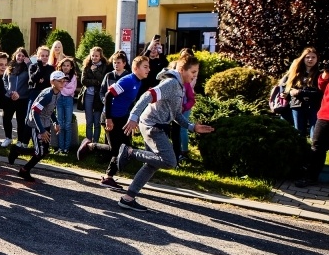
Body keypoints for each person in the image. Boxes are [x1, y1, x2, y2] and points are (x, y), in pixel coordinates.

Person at [114, 55, 214, 211]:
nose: (195, 75)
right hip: (152, 125)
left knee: (152, 164)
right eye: (193, 71)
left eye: (197, 72)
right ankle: (129, 152)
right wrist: (133, 117)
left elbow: (176, 115)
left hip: (155, 124)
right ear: (182, 69)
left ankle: (128, 198)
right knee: (169, 161)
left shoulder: (180, 86)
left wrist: (192, 127)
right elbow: (148, 95)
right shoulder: (171, 83)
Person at [77, 56, 150, 189]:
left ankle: (108, 177)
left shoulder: (138, 82)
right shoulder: (128, 80)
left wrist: (133, 119)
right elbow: (108, 95)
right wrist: (108, 119)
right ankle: (90, 147)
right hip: (110, 116)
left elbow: (128, 102)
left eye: (148, 67)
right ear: (135, 68)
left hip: (122, 117)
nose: (148, 69)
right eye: (145, 67)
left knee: (126, 148)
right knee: (115, 149)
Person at [8, 71, 67, 182]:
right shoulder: (47, 95)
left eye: (64, 80)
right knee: (39, 152)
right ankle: (21, 164)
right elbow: (35, 112)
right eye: (60, 81)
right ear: (52, 82)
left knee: (43, 151)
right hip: (36, 124)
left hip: (45, 123)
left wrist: (55, 122)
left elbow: (50, 110)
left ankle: (19, 157)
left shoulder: (58, 92)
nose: (63, 83)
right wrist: (41, 130)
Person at [295, 53, 329, 187]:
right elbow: (322, 86)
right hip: (325, 114)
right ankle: (310, 177)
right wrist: (326, 74)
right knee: (317, 147)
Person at [286, 47, 321, 138]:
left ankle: (313, 151)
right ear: (303, 58)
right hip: (297, 105)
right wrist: (289, 92)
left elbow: (319, 92)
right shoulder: (296, 72)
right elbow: (287, 85)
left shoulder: (319, 73)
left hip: (314, 106)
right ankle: (301, 151)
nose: (310, 59)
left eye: (313, 57)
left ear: (317, 59)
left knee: (315, 132)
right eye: (307, 57)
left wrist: (300, 92)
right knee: (298, 132)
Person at [3, 48, 31, 148]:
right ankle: (8, 138)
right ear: (15, 55)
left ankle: (20, 140)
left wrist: (29, 64)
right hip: (9, 97)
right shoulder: (10, 67)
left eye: (23, 56)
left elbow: (33, 77)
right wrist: (10, 92)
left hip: (22, 98)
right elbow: (5, 81)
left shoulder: (27, 68)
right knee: (6, 118)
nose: (20, 57)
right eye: (19, 55)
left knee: (20, 120)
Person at [55, 57, 80, 155]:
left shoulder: (73, 76)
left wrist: (61, 88)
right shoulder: (58, 75)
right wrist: (62, 88)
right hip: (59, 99)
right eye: (64, 65)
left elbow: (71, 90)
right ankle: (60, 147)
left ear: (71, 67)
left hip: (68, 100)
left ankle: (66, 147)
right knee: (60, 123)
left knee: (68, 124)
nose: (65, 67)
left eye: (68, 65)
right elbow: (55, 86)